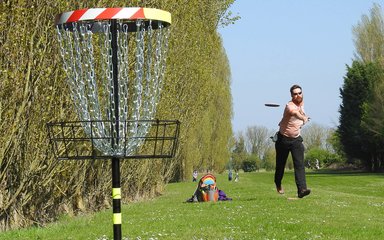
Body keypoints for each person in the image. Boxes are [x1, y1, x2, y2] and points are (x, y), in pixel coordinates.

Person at [274, 84, 311, 198]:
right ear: (291, 95)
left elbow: (299, 113)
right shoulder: (289, 106)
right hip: (283, 140)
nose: (298, 95)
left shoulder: (302, 104)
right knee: (280, 166)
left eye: (299, 93)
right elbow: (295, 113)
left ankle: (302, 190)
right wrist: (304, 118)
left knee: (299, 165)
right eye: (295, 94)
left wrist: (304, 117)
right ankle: (278, 183)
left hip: (296, 140)